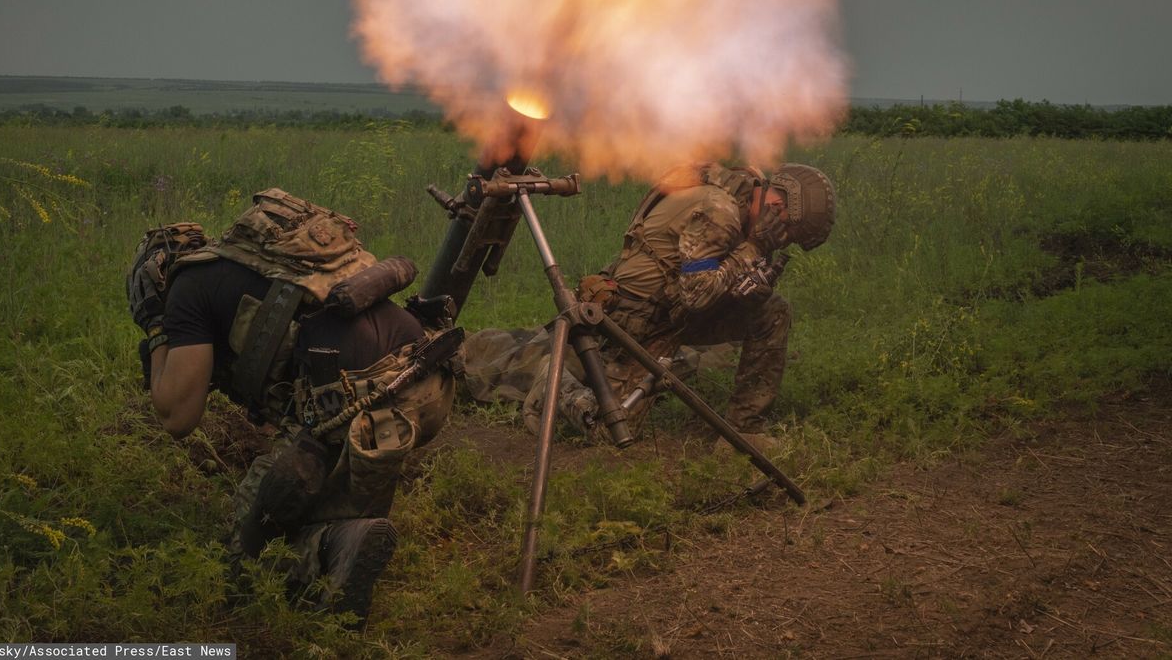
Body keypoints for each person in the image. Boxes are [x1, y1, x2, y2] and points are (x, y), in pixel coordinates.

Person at [127, 189, 458, 625]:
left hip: (358, 406)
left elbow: (177, 417)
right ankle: (347, 514)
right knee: (304, 476)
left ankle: (334, 545)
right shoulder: (259, 262)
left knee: (244, 553)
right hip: (429, 383)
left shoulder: (187, 290)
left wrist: (157, 329)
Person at [463, 162, 835, 449]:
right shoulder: (720, 212)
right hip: (637, 319)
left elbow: (702, 288)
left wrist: (751, 283)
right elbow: (697, 293)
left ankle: (743, 430)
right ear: (775, 203)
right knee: (607, 428)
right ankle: (552, 380)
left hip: (676, 311)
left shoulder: (743, 191)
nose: (781, 241)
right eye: (786, 231)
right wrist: (752, 249)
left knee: (772, 311)